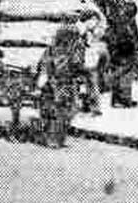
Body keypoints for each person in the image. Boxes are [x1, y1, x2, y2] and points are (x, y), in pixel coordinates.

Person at [36, 11, 97, 147]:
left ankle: (54, 138)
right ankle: (53, 139)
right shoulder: (72, 32)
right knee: (63, 106)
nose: (96, 25)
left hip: (62, 72)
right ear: (90, 20)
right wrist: (84, 69)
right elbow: (61, 54)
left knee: (62, 106)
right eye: (95, 22)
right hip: (62, 73)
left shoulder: (79, 34)